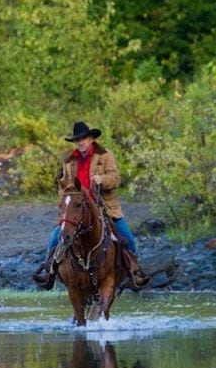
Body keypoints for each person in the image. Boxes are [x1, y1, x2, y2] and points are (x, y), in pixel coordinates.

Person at [32, 120, 149, 291]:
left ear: (91, 139)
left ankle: (134, 274)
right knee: (54, 239)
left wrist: (102, 180)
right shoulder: (69, 161)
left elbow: (116, 178)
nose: (81, 142)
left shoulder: (106, 155)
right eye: (77, 140)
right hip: (77, 211)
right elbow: (63, 188)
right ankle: (49, 272)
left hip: (105, 208)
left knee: (128, 239)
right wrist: (65, 203)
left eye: (84, 138)